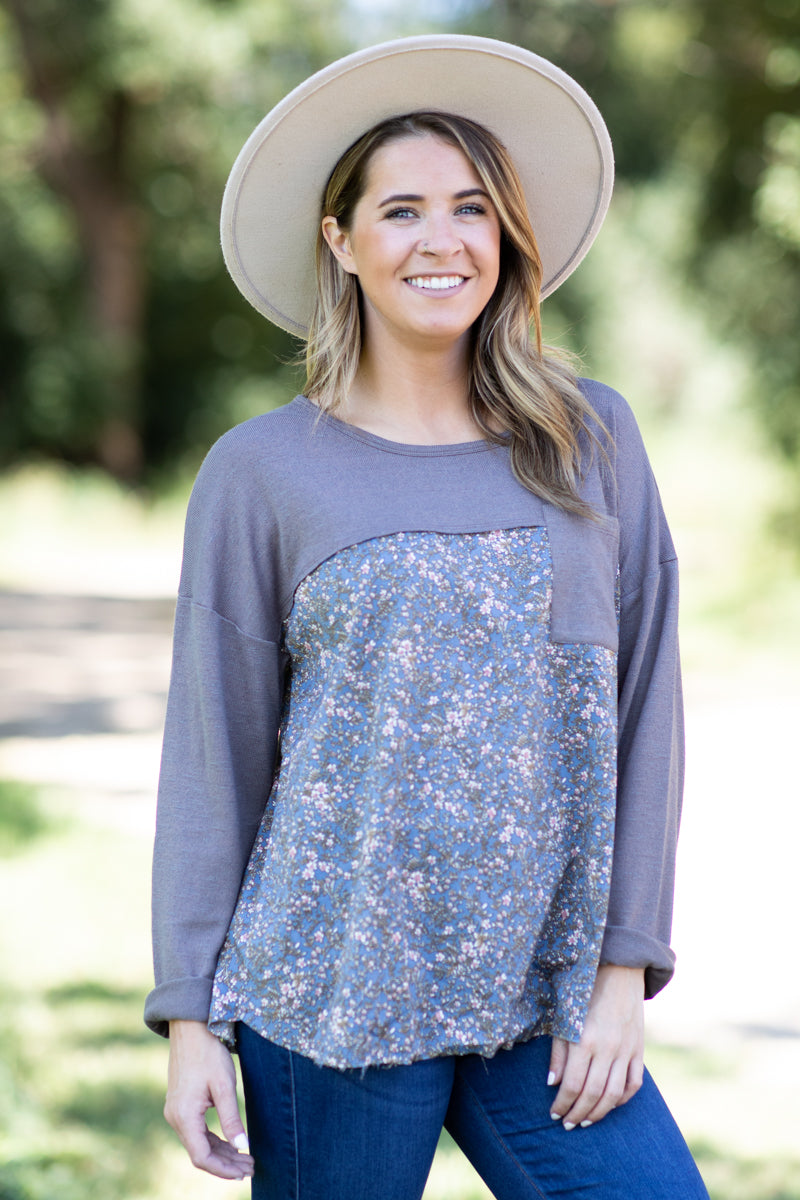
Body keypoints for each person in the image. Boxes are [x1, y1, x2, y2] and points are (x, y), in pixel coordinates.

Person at [145, 34, 709, 1200]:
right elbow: (215, 759)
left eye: (470, 207)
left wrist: (621, 968)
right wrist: (190, 1015)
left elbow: (646, 702)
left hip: (541, 997)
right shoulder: (260, 473)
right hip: (328, 991)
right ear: (340, 243)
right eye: (399, 210)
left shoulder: (589, 439)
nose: (440, 239)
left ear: (504, 237)